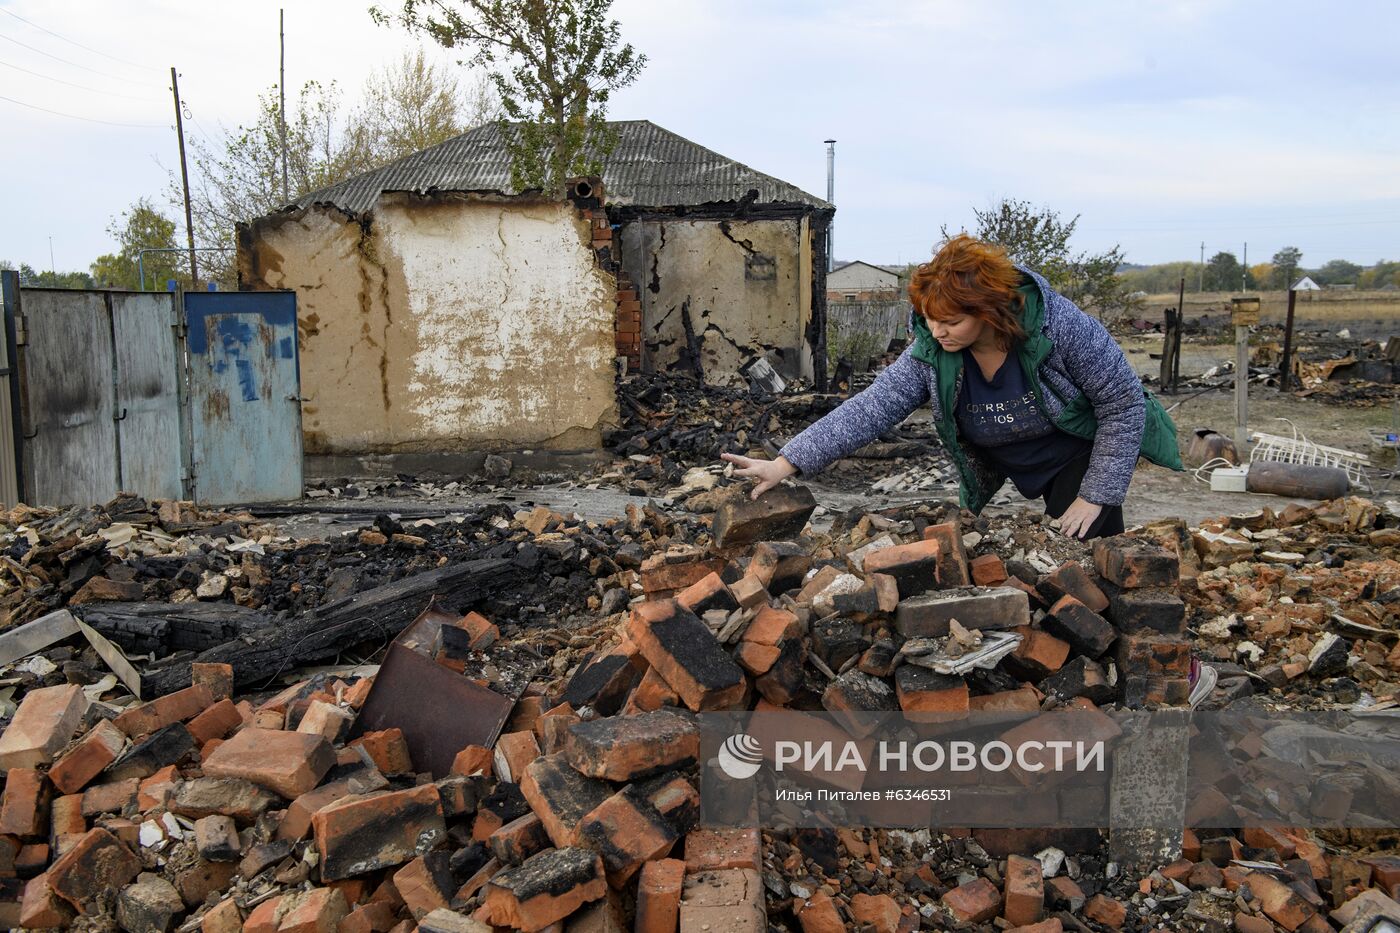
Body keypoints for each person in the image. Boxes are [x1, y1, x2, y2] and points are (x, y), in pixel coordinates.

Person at [722, 235, 1182, 539]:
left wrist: (1096, 494)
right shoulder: (932, 351)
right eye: (929, 320)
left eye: (952, 321)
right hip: (1010, 459)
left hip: (1076, 456)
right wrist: (785, 463)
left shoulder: (1059, 327)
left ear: (989, 310)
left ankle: (1178, 670)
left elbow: (1122, 405)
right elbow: (870, 409)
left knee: (1094, 558)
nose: (938, 331)